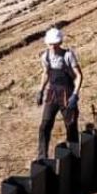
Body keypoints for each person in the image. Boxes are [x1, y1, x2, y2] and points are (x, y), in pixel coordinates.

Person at [35, 26, 82, 159]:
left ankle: (74, 154)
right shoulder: (45, 56)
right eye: (51, 44)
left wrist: (75, 94)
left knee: (71, 124)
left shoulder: (68, 55)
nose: (53, 47)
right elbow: (46, 74)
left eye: (55, 44)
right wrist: (40, 90)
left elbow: (78, 75)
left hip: (67, 93)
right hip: (52, 93)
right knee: (45, 124)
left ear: (60, 42)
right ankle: (41, 157)